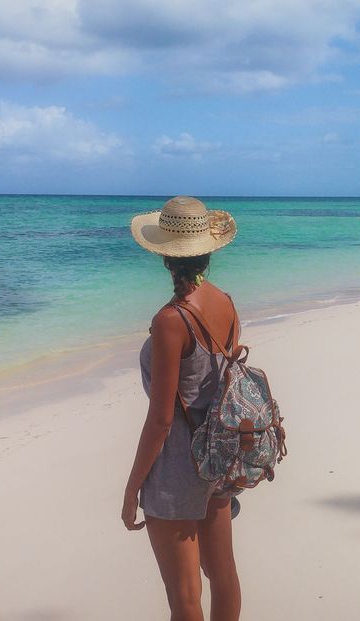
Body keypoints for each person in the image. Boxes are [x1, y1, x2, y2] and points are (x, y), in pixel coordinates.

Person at [122, 196, 242, 621]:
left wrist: (133, 486)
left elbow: (161, 419)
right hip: (220, 453)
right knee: (223, 576)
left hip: (178, 464)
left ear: (163, 256)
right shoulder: (224, 301)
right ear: (208, 251)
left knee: (185, 600)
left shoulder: (171, 320)